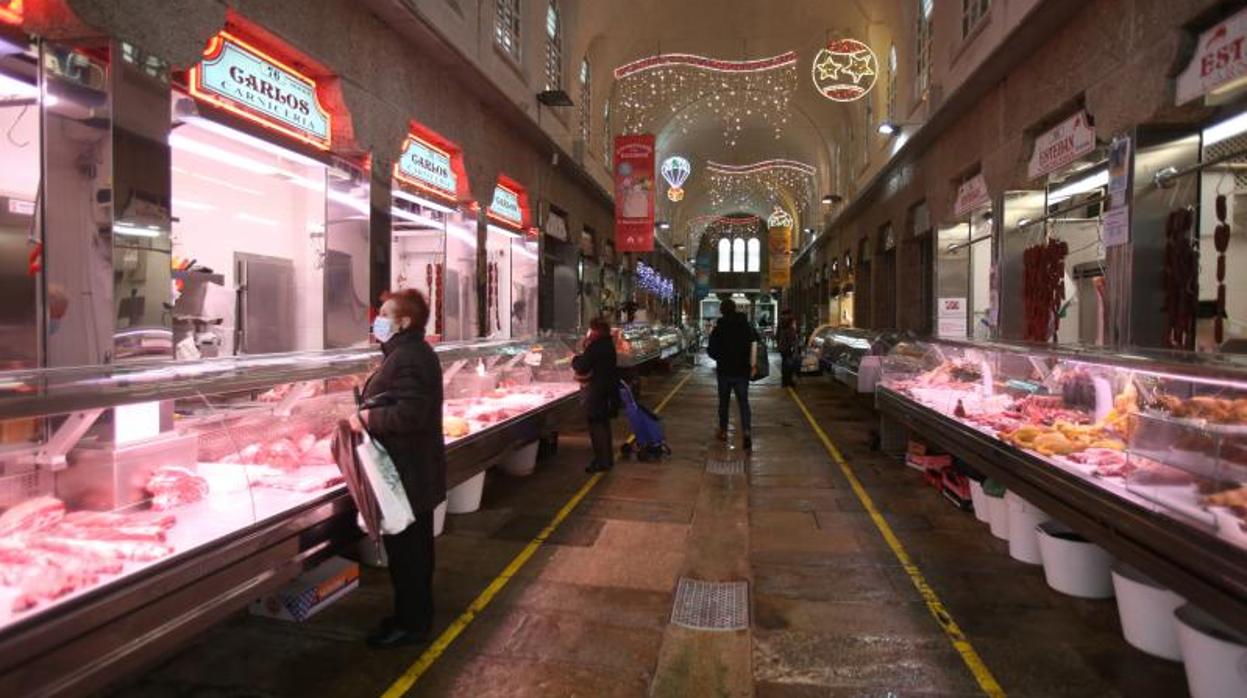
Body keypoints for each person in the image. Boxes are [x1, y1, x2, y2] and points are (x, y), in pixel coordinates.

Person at [349, 289, 446, 648]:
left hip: (409, 473)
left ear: (403, 321)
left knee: (411, 558)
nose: (379, 318)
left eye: (386, 313)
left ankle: (412, 626)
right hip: (409, 471)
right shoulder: (406, 353)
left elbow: (410, 414)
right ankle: (408, 617)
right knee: (409, 555)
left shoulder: (409, 357)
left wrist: (368, 416)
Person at [707, 298, 756, 450]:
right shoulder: (745, 325)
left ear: (722, 311)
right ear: (735, 309)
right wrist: (751, 364)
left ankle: (723, 431)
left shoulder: (719, 328)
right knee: (743, 403)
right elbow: (755, 342)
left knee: (724, 402)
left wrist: (720, 357)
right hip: (742, 371)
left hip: (725, 371)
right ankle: (746, 431)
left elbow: (711, 349)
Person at [572, 316, 619, 473]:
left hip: (597, 392)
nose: (589, 332)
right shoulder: (607, 344)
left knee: (596, 426)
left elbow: (582, 366)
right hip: (607, 391)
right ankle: (607, 460)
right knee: (604, 425)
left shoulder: (597, 346)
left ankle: (601, 462)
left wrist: (575, 358)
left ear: (597, 330)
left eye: (591, 329)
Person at [777, 310, 800, 388]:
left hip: (783, 348)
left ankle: (785, 381)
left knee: (785, 365)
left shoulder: (782, 325)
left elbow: (777, 335)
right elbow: (792, 341)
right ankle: (788, 381)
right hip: (788, 349)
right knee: (789, 365)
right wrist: (794, 350)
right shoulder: (790, 329)